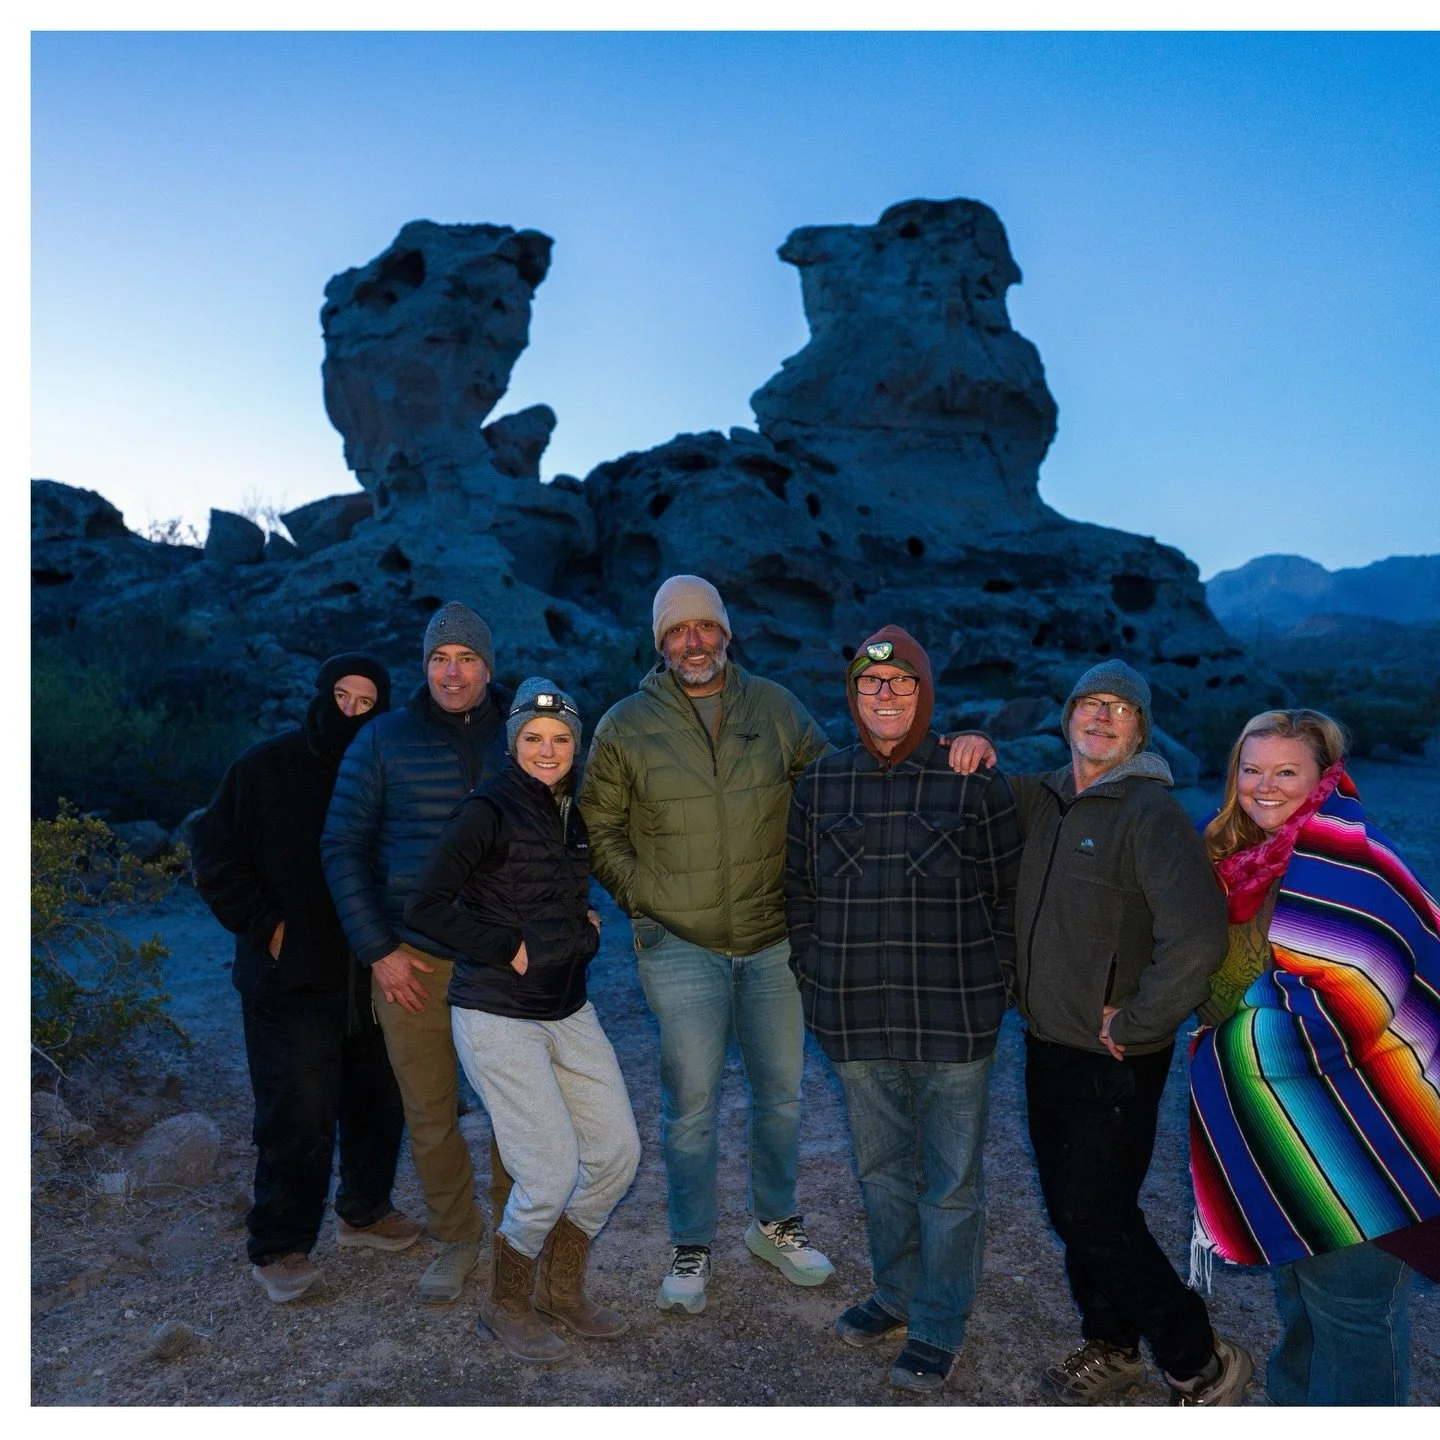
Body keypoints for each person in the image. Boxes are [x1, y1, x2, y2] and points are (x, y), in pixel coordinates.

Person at [948, 659, 1250, 1404]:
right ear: (1067, 717)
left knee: (1093, 1211)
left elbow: (1200, 937)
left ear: (1140, 729)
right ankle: (1111, 1343)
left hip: (1115, 1057)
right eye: (1091, 703)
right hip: (1049, 1042)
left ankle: (1199, 1359)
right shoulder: (1043, 797)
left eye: (1121, 708)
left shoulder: (1151, 815)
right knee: (1073, 1208)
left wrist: (1143, 1017)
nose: (1103, 716)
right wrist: (973, 741)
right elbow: (973, 782)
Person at [581, 574, 835, 1314]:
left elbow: (829, 792)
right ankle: (691, 1243)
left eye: (705, 628)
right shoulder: (626, 724)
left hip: (772, 940)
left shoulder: (777, 707)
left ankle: (775, 1225)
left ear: (727, 633)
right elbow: (600, 830)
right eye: (676, 631)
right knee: (691, 1103)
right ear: (660, 643)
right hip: (680, 946)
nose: (693, 642)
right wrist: (647, 898)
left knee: (780, 1095)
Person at [786, 626, 1023, 1393]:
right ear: (853, 698)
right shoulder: (821, 785)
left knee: (950, 1184)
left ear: (924, 696)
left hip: (954, 1020)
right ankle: (894, 1295)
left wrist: (997, 995)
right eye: (870, 684)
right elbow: (799, 896)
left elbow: (1008, 897)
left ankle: (938, 1323)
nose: (884, 695)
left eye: (901, 684)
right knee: (883, 1172)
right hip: (854, 1018)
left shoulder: (972, 782)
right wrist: (814, 981)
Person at [1189, 708, 1440, 1406]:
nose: (1265, 786)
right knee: (1300, 1296)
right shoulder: (1248, 863)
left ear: (1324, 777)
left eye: (1286, 772)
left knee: (1355, 1313)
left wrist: (1225, 1045)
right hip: (1294, 1126)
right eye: (1251, 769)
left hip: (1368, 1132)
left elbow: (1354, 1005)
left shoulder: (1348, 864)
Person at [405, 677, 641, 1364]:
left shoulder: (565, 811)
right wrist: (506, 947)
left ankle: (559, 1291)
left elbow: (552, 894)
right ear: (514, 743)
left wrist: (583, 929)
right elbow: (428, 906)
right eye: (534, 738)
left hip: (566, 1009)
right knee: (548, 1171)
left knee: (617, 1154)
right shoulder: (488, 809)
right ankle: (505, 1306)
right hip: (496, 1014)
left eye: (561, 738)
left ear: (576, 745)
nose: (548, 749)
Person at [193, 652, 419, 1303]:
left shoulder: (385, 773)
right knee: (299, 1110)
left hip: (371, 972)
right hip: (288, 980)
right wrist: (267, 926)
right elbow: (212, 852)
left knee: (381, 1097)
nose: (349, 710)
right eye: (341, 696)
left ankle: (365, 1212)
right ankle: (280, 1244)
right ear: (321, 696)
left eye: (364, 701)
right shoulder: (264, 768)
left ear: (380, 707)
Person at [321, 602, 511, 1304]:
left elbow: (561, 830)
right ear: (423, 667)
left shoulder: (524, 733)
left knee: (513, 1109)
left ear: (487, 665)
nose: (451, 672)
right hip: (415, 962)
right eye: (438, 658)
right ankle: (458, 1238)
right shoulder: (382, 739)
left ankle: (518, 1239)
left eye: (465, 658)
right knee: (431, 1114)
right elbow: (341, 846)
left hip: (501, 958)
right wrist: (379, 950)